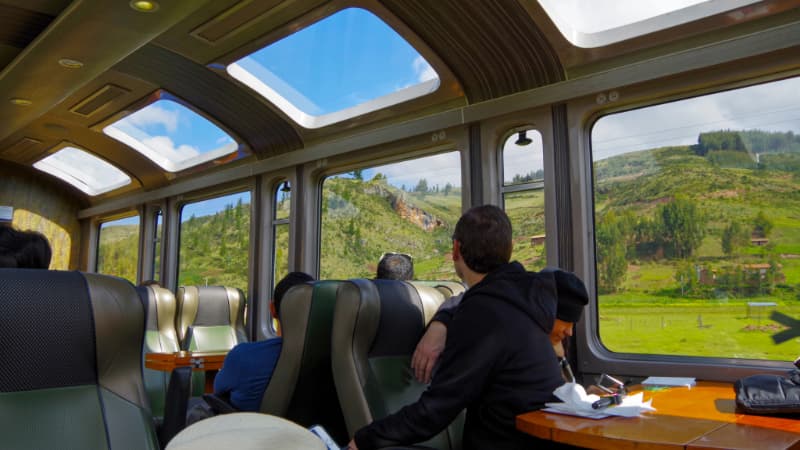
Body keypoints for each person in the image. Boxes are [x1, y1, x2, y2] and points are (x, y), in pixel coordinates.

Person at [348, 205, 579, 450]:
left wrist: (364, 439)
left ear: (456, 249)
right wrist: (443, 320)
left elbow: (437, 410)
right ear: (510, 249)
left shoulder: (482, 312)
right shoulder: (526, 296)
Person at [412, 267, 588, 384]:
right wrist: (440, 323)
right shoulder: (511, 335)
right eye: (566, 322)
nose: (570, 332)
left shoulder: (558, 340)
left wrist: (584, 396)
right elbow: (471, 300)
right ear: (546, 313)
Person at [190, 271, 314, 419]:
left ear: (272, 309)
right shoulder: (335, 360)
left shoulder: (243, 356)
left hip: (247, 436)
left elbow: (218, 390)